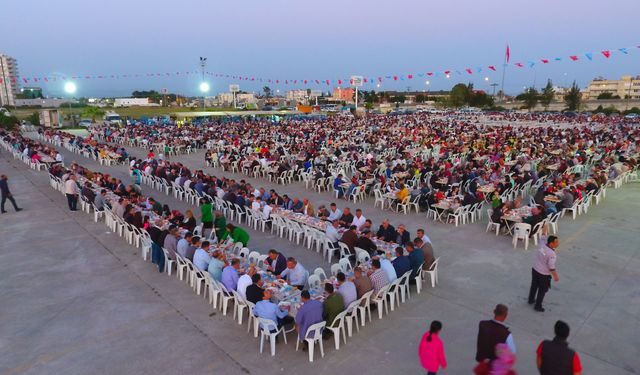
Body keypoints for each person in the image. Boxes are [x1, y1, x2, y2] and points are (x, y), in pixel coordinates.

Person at [528, 235, 560, 312]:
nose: (558, 243)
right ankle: (538, 306)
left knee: (534, 286)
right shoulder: (552, 254)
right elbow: (551, 266)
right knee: (542, 290)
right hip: (543, 274)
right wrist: (556, 276)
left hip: (535, 269)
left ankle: (531, 299)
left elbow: (543, 235)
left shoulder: (542, 244)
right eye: (556, 242)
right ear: (551, 244)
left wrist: (545, 225)